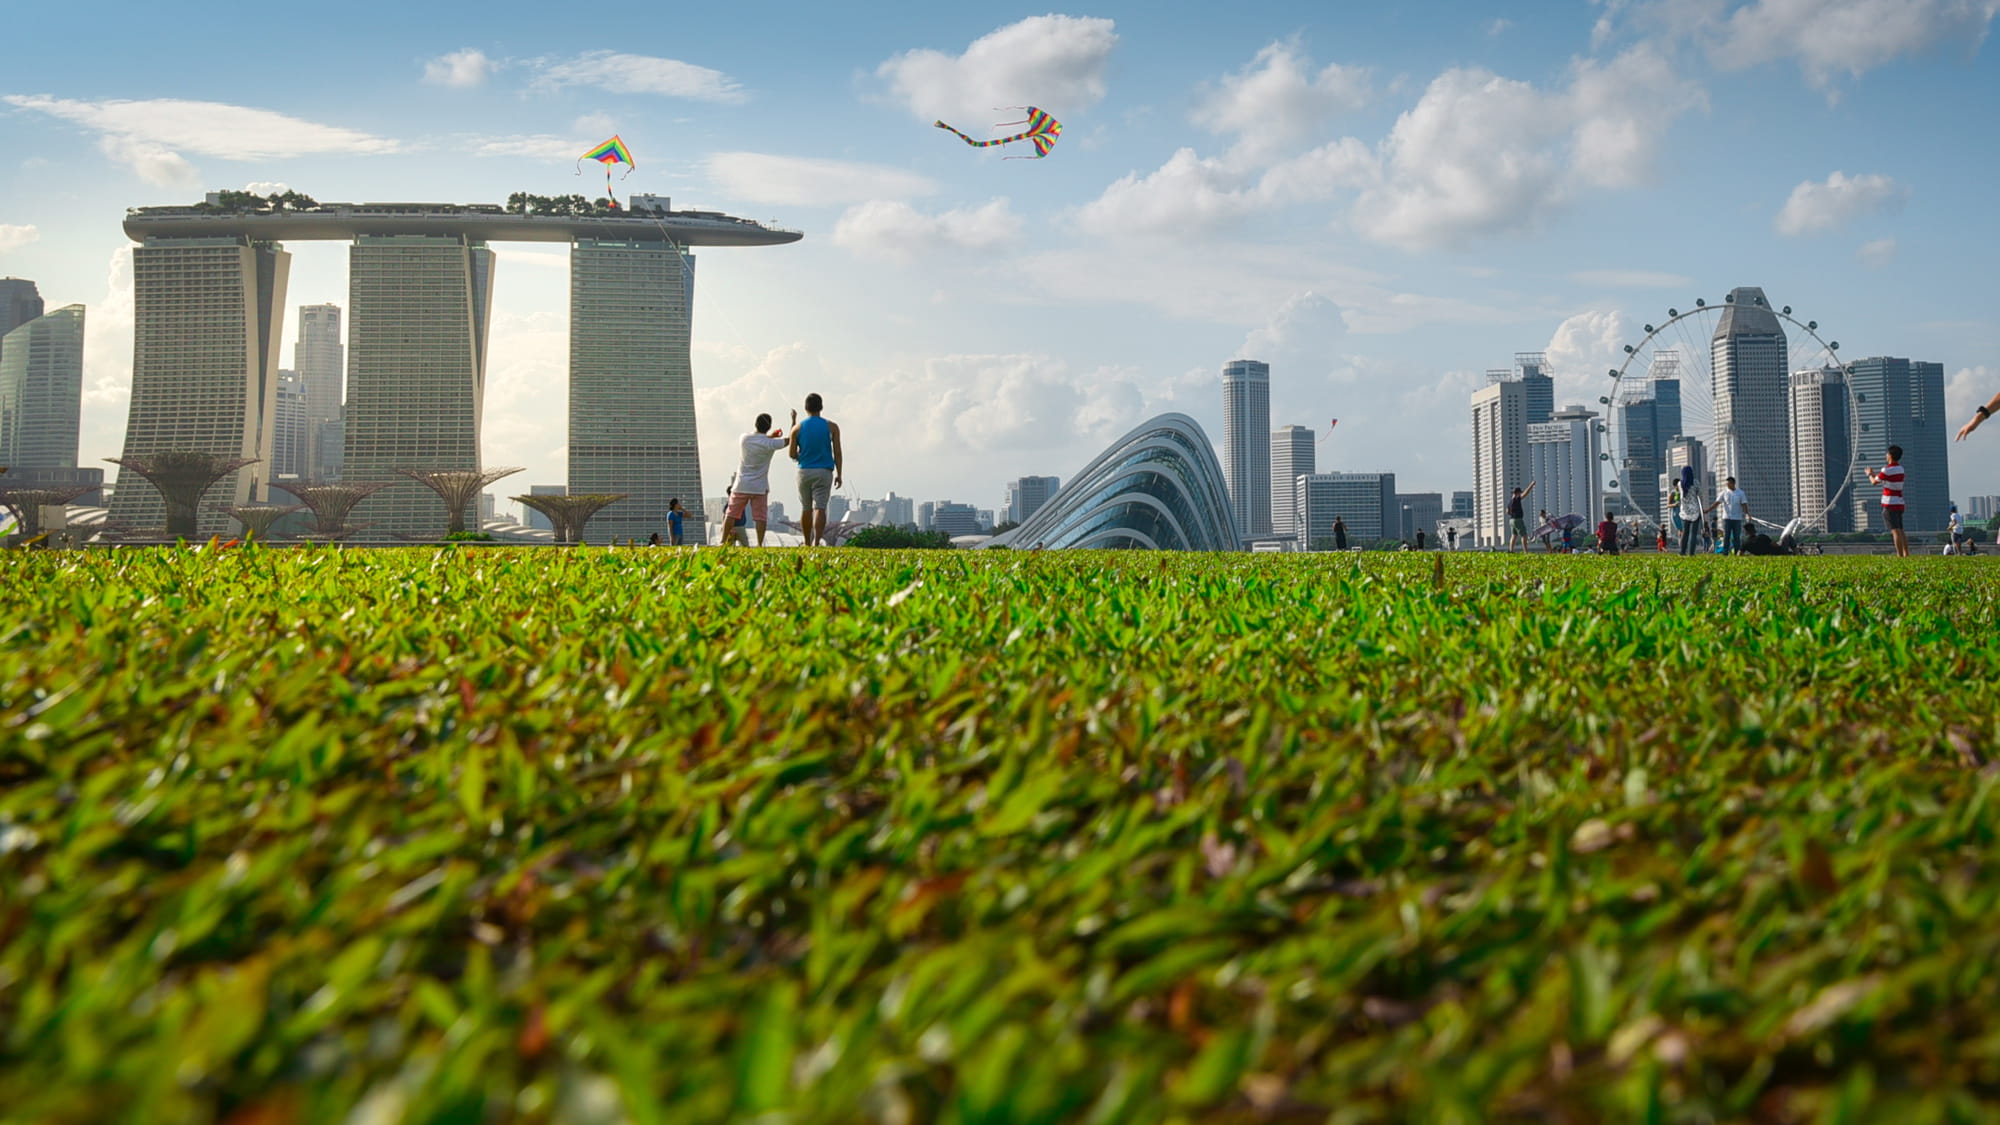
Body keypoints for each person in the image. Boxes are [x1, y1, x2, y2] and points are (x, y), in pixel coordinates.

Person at [725, 412, 789, 547]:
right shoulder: (770, 443)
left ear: (755, 424)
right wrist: (794, 421)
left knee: (731, 514)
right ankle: (760, 544)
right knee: (760, 517)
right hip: (759, 487)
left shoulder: (744, 438)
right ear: (769, 426)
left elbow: (758, 439)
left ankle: (721, 541)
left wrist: (769, 436)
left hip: (741, 484)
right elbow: (789, 440)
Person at [789, 393, 843, 547]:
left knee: (806, 508)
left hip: (804, 471)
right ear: (821, 407)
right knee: (820, 507)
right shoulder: (832, 427)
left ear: (806, 408)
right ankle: (817, 542)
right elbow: (837, 452)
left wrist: (802, 456)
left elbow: (791, 454)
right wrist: (839, 474)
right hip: (824, 471)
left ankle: (806, 542)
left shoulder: (797, 428)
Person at [1868, 445, 1909, 557]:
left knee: (1894, 530)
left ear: (1890, 456)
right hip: (1900, 502)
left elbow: (1874, 482)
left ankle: (1899, 555)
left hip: (1890, 503)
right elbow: (1886, 479)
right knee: (1900, 529)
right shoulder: (1900, 469)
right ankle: (1906, 553)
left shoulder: (1886, 469)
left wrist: (1870, 474)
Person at [1706, 476, 1749, 555]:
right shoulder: (1724, 493)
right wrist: (1708, 510)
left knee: (1737, 537)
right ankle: (1725, 552)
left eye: (1728, 484)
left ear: (1733, 483)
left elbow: (1744, 504)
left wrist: (1747, 514)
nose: (1727, 485)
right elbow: (1716, 503)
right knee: (1726, 536)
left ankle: (1737, 552)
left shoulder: (1740, 493)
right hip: (1727, 518)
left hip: (1737, 518)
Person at [1669, 466, 1702, 556]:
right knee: (1693, 533)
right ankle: (1691, 552)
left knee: (1685, 532)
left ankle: (1682, 551)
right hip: (1695, 511)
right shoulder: (1696, 483)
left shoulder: (1680, 484)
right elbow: (1700, 495)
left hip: (1684, 511)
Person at [1507, 483, 1536, 551]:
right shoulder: (1516, 499)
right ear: (1518, 493)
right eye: (1520, 493)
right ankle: (1525, 551)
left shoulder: (1510, 501)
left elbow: (1507, 511)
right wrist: (1531, 485)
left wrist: (1512, 513)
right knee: (1524, 535)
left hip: (1511, 520)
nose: (1520, 494)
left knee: (1514, 535)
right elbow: (1526, 493)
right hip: (1518, 519)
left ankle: (1511, 550)